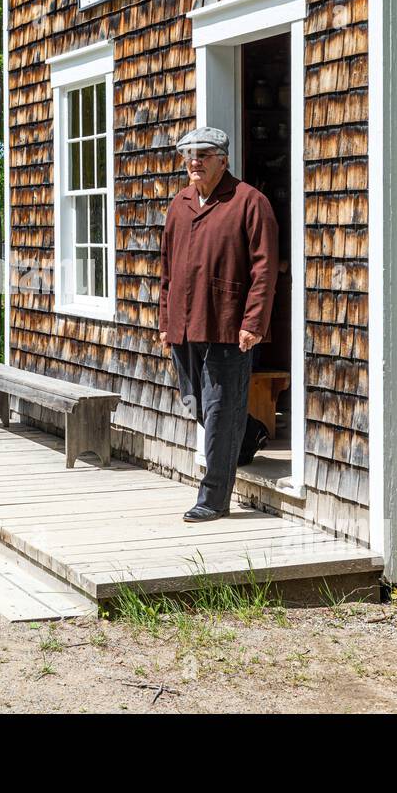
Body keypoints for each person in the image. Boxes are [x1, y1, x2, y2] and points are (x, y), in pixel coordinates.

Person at [158, 126, 279, 523]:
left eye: (204, 154)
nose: (194, 162)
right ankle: (249, 433)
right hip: (182, 322)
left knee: (219, 407)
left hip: (228, 323)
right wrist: (164, 320)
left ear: (223, 160)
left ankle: (213, 498)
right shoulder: (180, 204)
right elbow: (166, 270)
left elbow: (264, 269)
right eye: (189, 155)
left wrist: (254, 320)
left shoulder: (249, 202)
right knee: (195, 401)